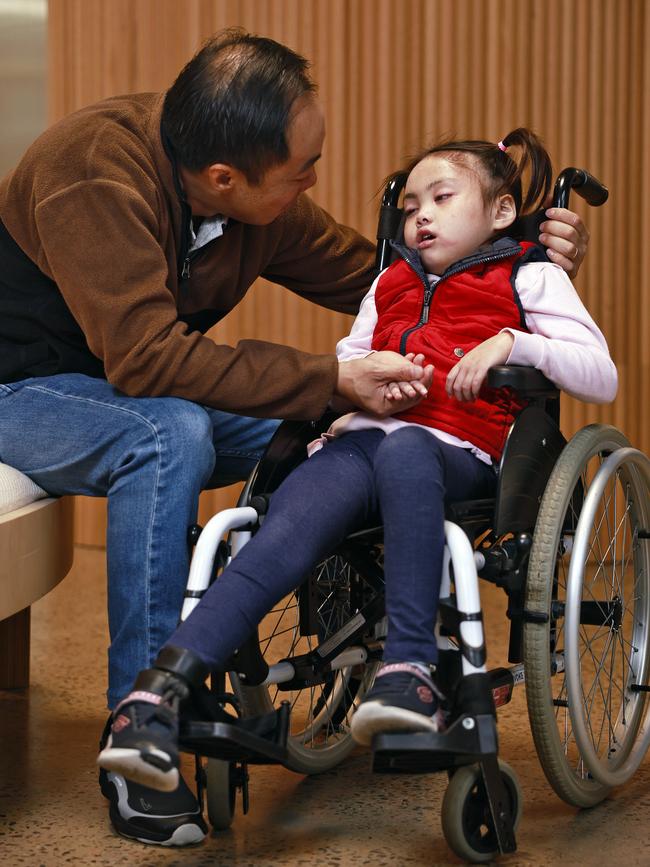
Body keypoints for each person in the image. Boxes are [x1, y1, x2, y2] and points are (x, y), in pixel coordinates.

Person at [0, 27, 589, 846]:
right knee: (170, 435)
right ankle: (140, 726)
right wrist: (330, 375)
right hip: (23, 388)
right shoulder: (94, 172)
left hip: (128, 379)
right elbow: (144, 360)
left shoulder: (249, 190)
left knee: (330, 423)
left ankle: (354, 626)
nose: (312, 183)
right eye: (300, 172)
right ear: (223, 179)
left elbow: (386, 277)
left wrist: (527, 260)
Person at [96, 127, 617, 805]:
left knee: (404, 448)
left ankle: (410, 669)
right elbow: (350, 354)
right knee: (285, 521)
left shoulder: (531, 276)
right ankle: (155, 697)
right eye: (410, 205)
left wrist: (511, 342)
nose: (420, 214)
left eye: (442, 196)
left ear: (500, 211)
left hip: (463, 454)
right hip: (369, 443)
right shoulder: (390, 281)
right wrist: (355, 385)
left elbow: (599, 373)